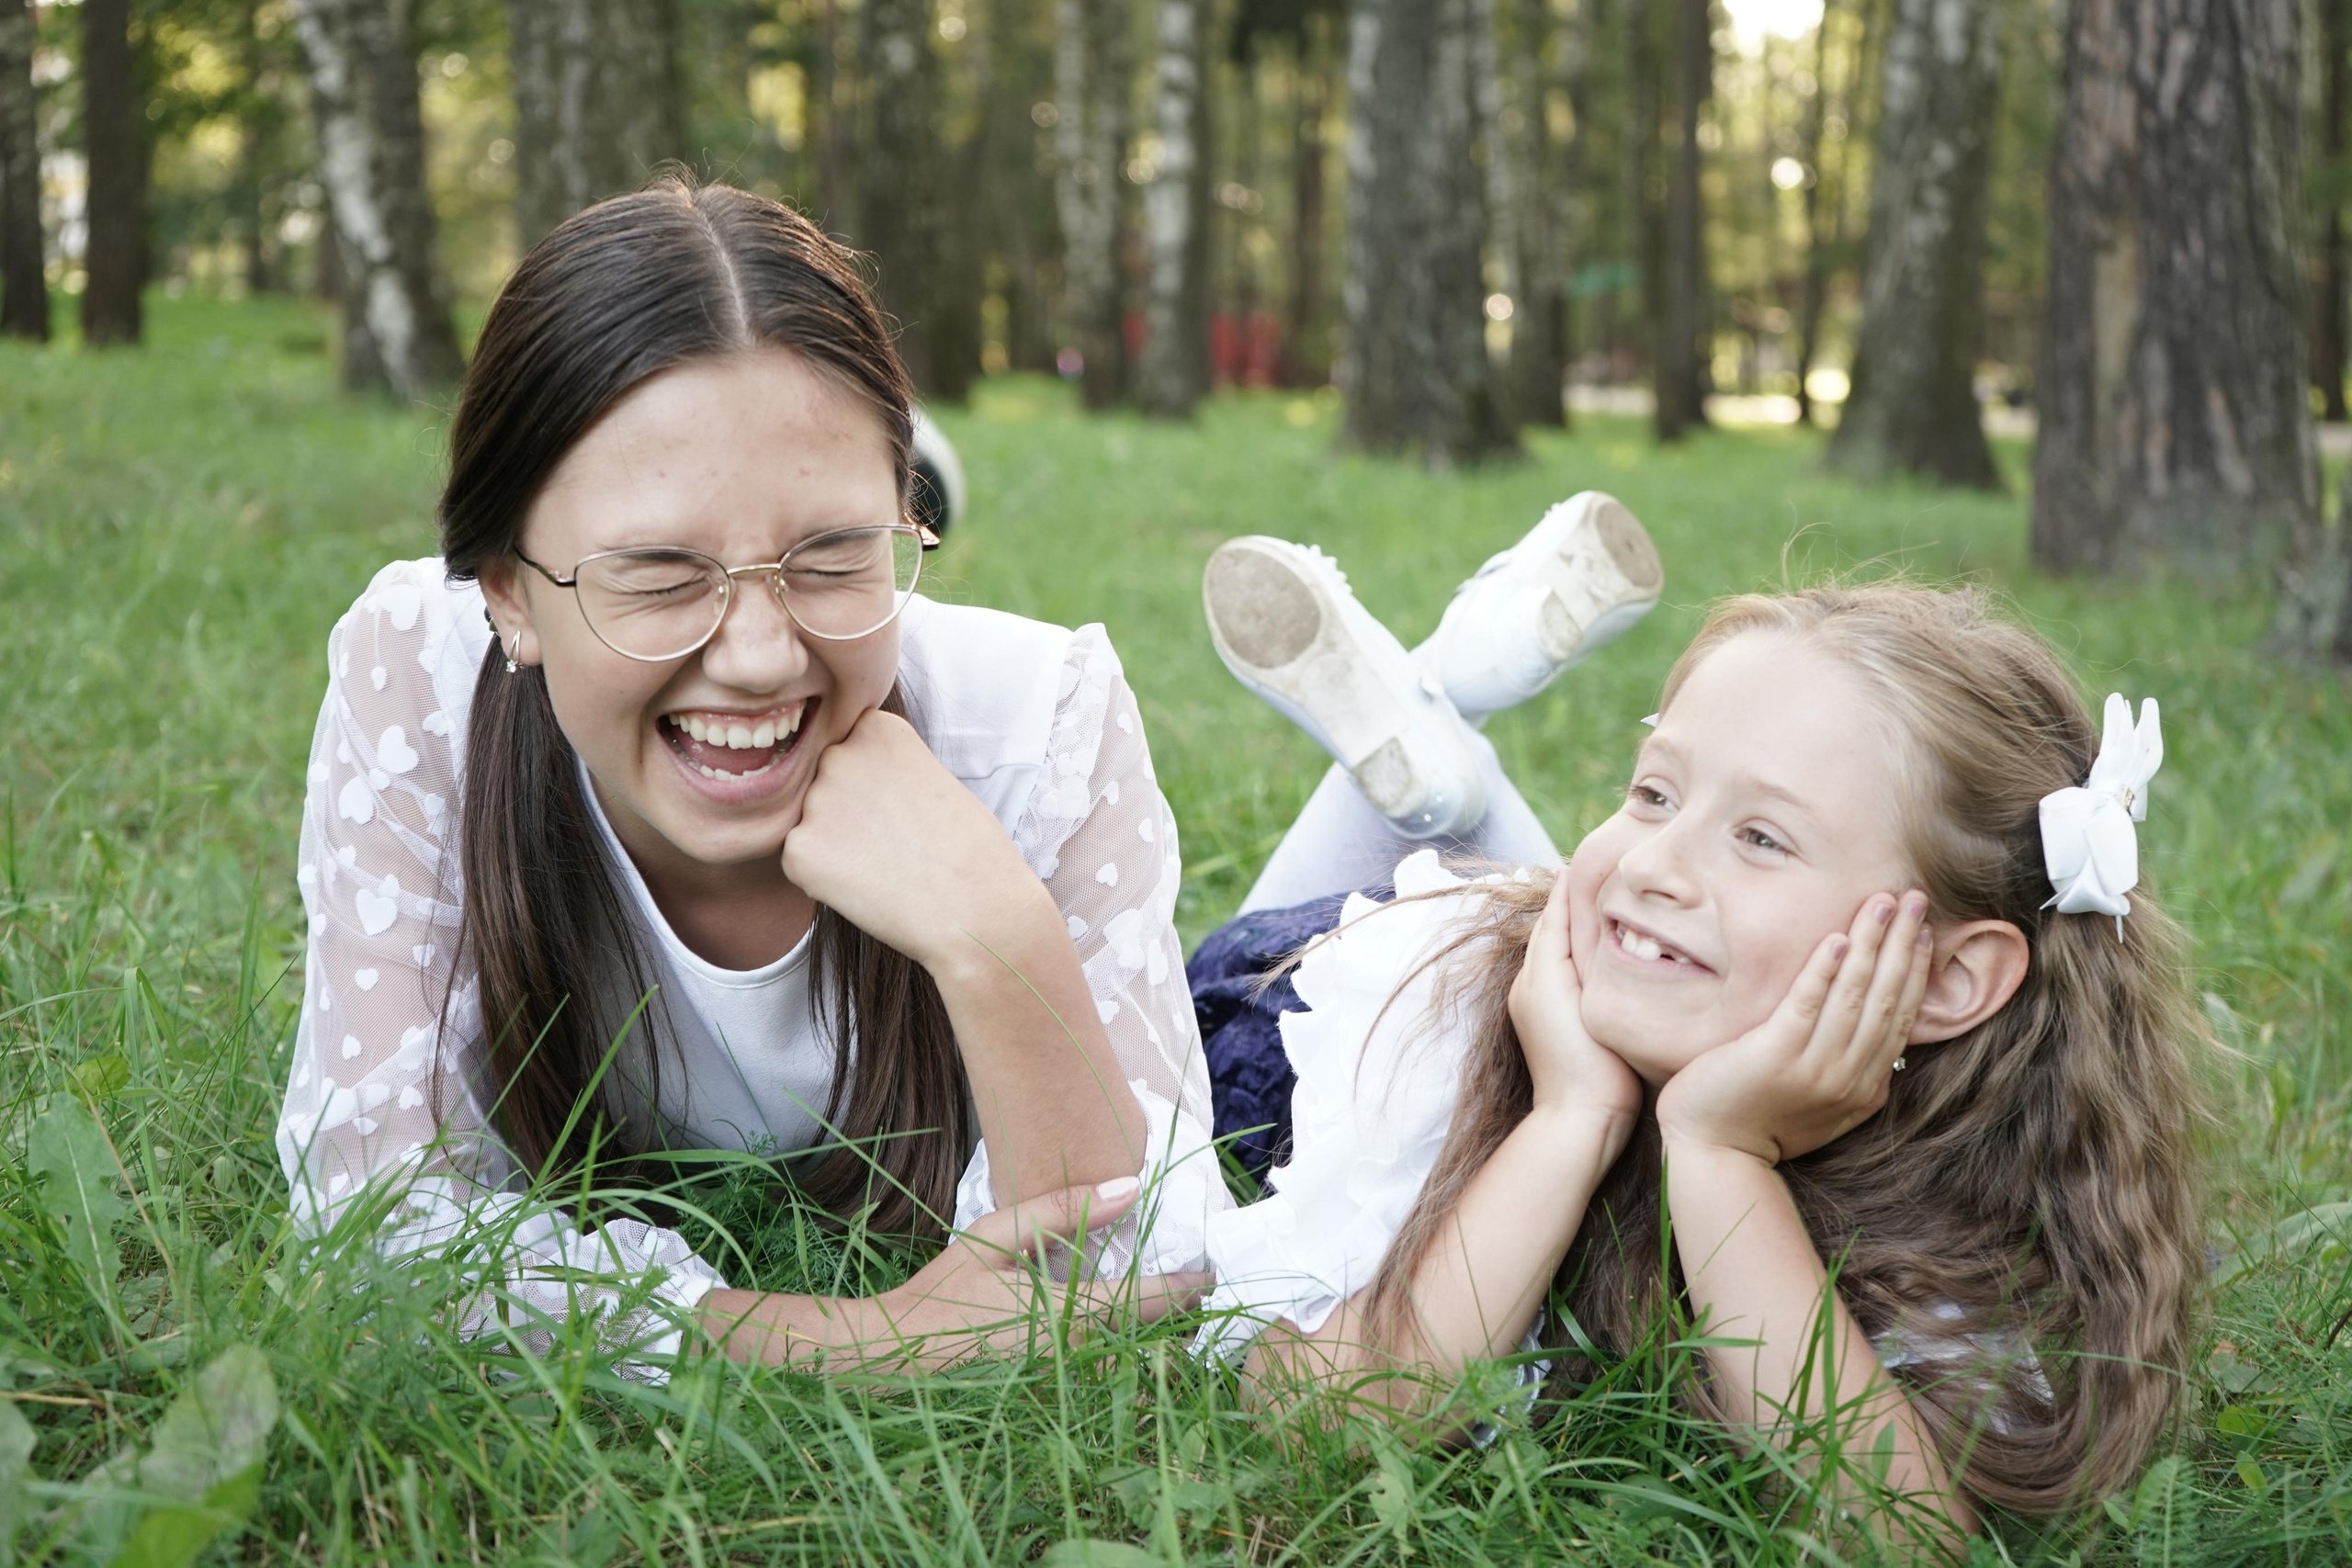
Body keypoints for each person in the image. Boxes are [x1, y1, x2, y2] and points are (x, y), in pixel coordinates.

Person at [274, 178, 1223, 1373]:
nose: (763, 657)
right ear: (510, 589)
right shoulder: (418, 676)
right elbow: (373, 1226)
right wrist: (854, 1337)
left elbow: (1149, 1263)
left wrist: (999, 941)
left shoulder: (1037, 719)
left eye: (833, 556)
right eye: (663, 575)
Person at [1187, 505, 2204, 1533]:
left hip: (1606, 952)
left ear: (1945, 982)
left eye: (1762, 838)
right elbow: (1321, 1418)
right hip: (1286, 1004)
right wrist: (1568, 1118)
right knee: (1500, 894)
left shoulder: (1981, 1201)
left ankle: (1443, 706)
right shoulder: (1450, 1031)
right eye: (1652, 791)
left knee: (1577, 885)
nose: (1656, 862)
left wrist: (1720, 1155)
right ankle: (1447, 690)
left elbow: (1896, 1534)